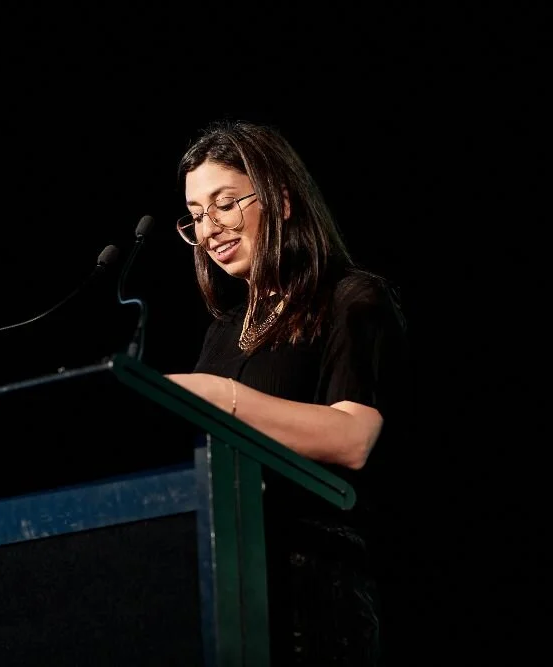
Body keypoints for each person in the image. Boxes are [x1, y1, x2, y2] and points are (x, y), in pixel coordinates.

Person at [165, 119, 410, 666]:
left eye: (225, 204)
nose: (209, 230)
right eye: (196, 215)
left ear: (279, 200)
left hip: (314, 591)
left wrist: (220, 396)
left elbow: (353, 438)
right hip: (224, 587)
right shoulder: (221, 333)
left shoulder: (351, 299)